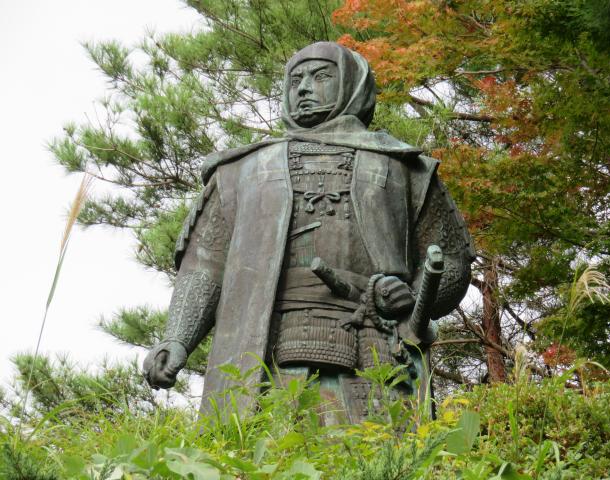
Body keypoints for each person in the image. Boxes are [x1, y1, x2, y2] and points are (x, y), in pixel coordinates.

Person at [143, 42, 475, 423]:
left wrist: (414, 296)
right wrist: (177, 339)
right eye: (295, 79)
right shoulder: (240, 171)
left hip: (378, 345)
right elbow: (206, 265)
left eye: (320, 76)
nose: (303, 88)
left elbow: (452, 263)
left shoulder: (404, 169)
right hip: (264, 350)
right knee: (261, 446)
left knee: (377, 447)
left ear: (351, 85)